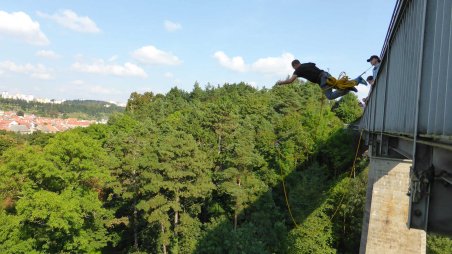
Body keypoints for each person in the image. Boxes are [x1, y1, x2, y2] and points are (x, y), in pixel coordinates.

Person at [276, 59, 367, 100]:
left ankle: (348, 88)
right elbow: (313, 67)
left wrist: (281, 83)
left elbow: (290, 80)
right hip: (326, 75)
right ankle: (357, 80)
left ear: (295, 65)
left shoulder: (298, 69)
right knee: (340, 86)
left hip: (322, 80)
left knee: (330, 96)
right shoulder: (308, 64)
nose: (294, 70)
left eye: (294, 68)